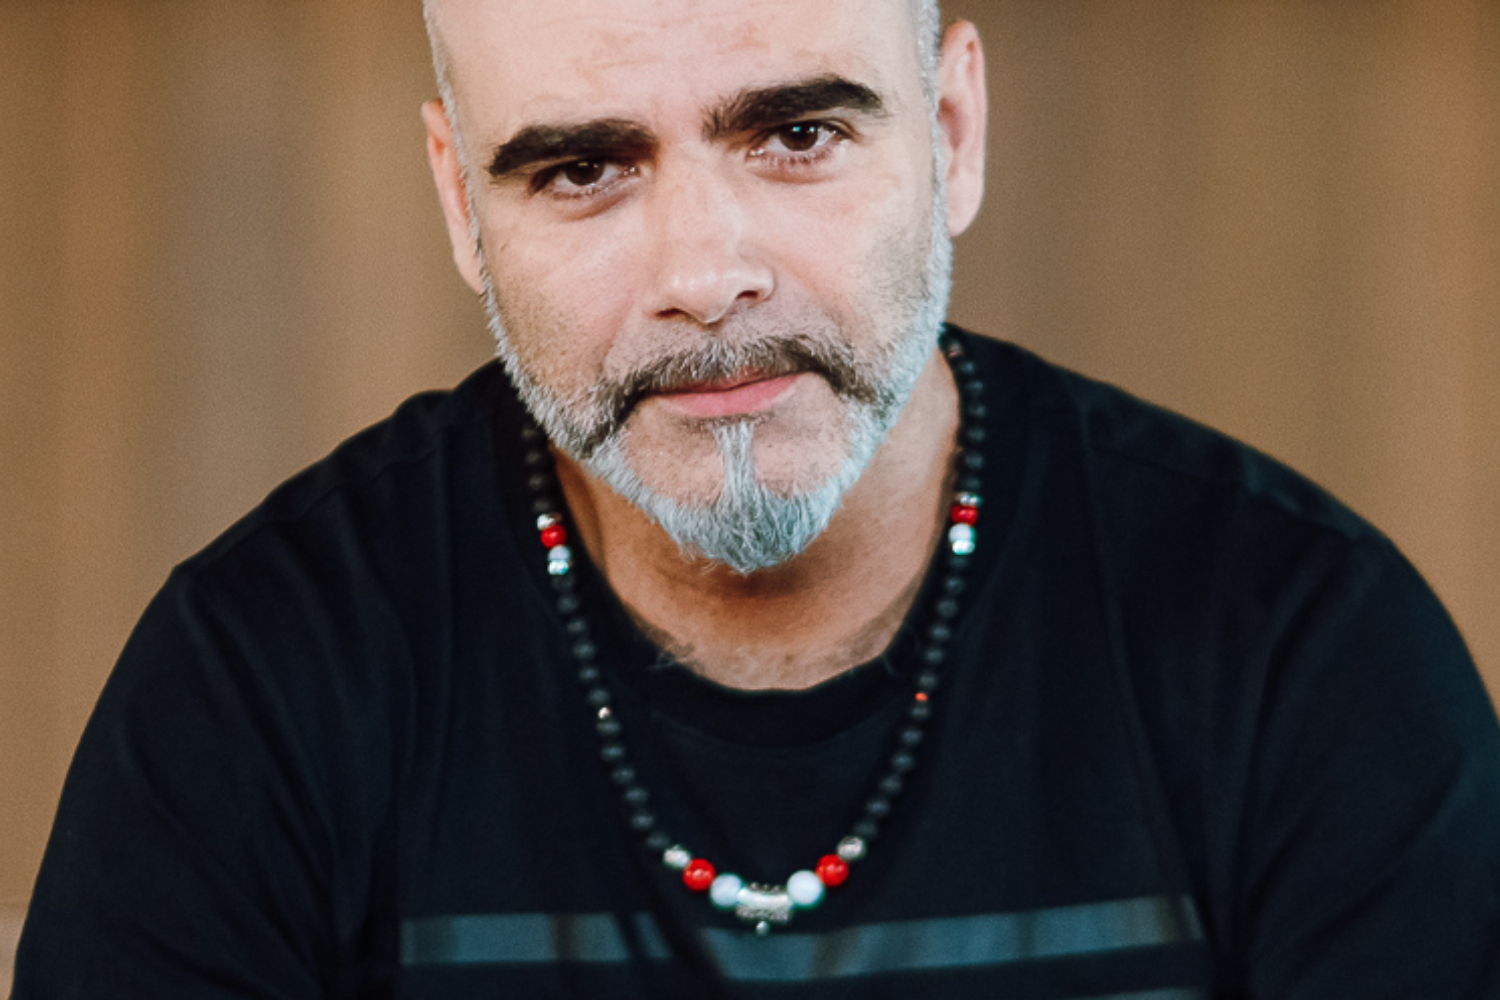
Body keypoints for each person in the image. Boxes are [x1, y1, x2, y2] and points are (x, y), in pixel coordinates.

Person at [15, 0, 1500, 996]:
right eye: (582, 169)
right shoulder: (261, 674)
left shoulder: (1302, 646)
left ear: (953, 131)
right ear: (464, 206)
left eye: (797, 135)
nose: (704, 275)